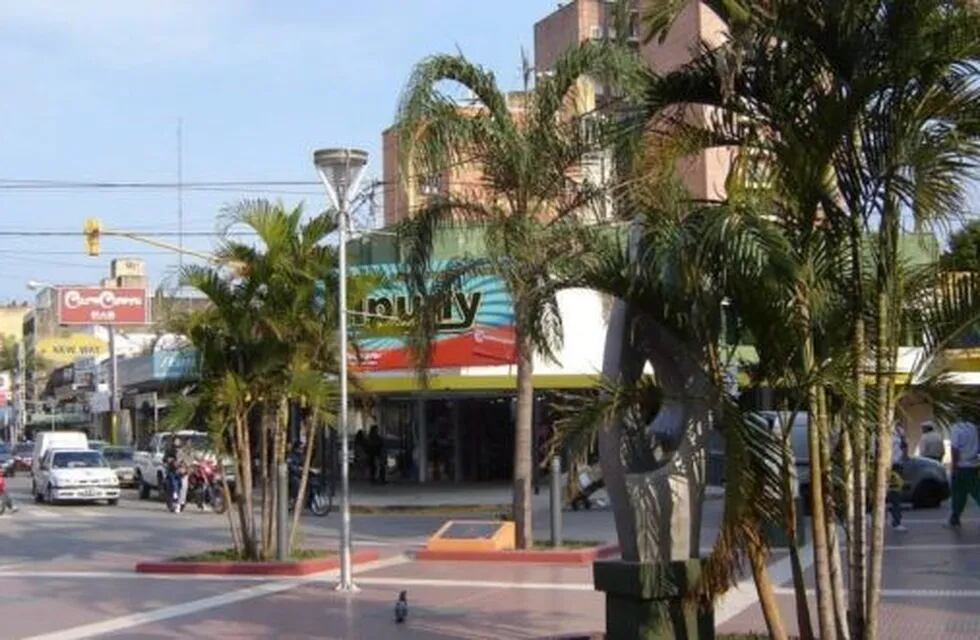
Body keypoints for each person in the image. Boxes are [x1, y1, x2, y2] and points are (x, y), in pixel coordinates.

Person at [946, 420, 980, 529]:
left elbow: (955, 448)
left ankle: (955, 518)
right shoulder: (973, 427)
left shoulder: (957, 428)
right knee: (974, 491)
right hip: (973, 465)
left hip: (962, 466)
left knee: (959, 494)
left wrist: (954, 466)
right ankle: (954, 518)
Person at [888, 423, 909, 532]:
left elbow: (905, 446)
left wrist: (904, 457)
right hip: (885, 466)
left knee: (896, 494)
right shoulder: (879, 430)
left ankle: (897, 521)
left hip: (896, 466)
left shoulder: (899, 431)